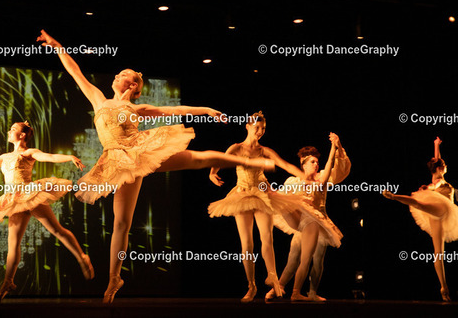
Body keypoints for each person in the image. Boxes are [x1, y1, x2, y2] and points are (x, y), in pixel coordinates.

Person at [37, 30, 275, 303]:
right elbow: (74, 71)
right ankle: (114, 278)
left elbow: (175, 110)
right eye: (119, 73)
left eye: (123, 74)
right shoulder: (99, 100)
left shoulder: (138, 108)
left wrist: (206, 110)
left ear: (133, 85)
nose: (117, 75)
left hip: (142, 150)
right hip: (117, 161)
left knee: (197, 159)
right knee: (121, 223)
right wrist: (56, 45)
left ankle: (247, 161)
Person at [0, 121, 93, 303]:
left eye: (13, 129)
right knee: (13, 243)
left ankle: (82, 257)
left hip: (29, 193)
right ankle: (8, 281)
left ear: (22, 135)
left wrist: (69, 157)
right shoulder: (5, 156)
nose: (8, 131)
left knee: (56, 229)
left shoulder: (28, 152)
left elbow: (49, 156)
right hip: (13, 200)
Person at [208, 111, 305, 302]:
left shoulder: (264, 150)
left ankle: (273, 277)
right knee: (247, 244)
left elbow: (285, 165)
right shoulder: (236, 148)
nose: (260, 131)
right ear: (247, 126)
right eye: (257, 127)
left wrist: (305, 177)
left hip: (262, 194)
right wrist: (212, 173)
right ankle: (251, 286)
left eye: (263, 129)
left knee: (267, 238)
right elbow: (219, 160)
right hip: (242, 194)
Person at [265, 133, 351, 302]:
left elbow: (341, 168)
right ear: (302, 163)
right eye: (312, 161)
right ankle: (278, 288)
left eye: (317, 161)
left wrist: (337, 146)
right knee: (293, 258)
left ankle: (311, 292)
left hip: (320, 221)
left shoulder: (323, 177)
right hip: (303, 221)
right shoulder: (294, 181)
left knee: (317, 260)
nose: (316, 164)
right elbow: (282, 197)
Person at [383, 137, 458, 302]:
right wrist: (429, 188)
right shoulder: (439, 181)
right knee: (418, 203)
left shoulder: (437, 176)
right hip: (441, 209)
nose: (446, 167)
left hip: (438, 217)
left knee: (439, 254)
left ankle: (443, 286)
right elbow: (435, 183)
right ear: (440, 169)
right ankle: (394, 196)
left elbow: (437, 161)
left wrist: (436, 145)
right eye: (444, 166)